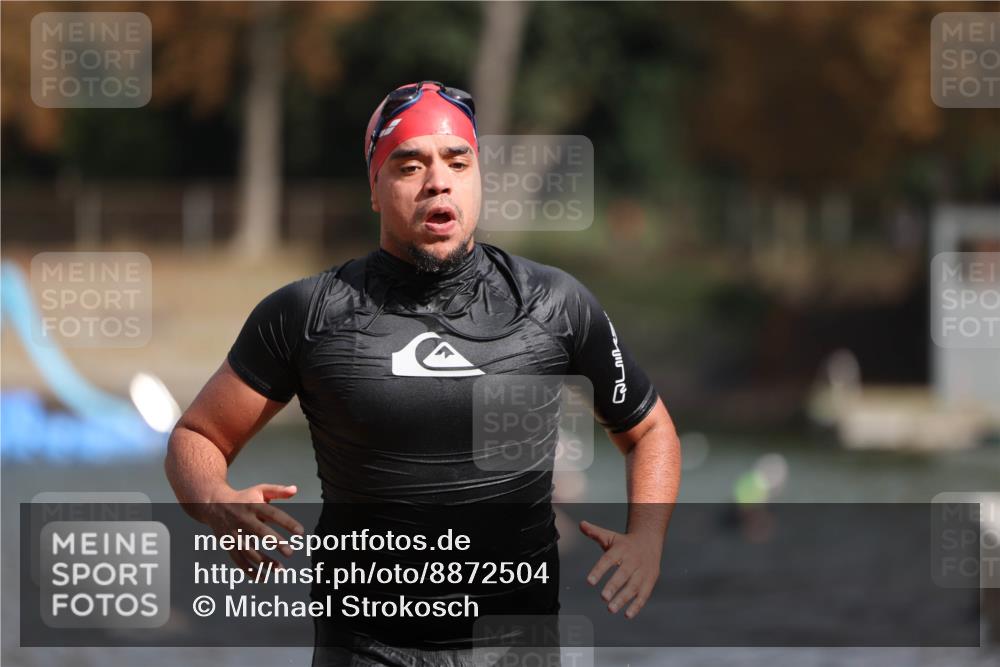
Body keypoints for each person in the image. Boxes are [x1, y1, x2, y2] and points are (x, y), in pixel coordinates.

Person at [165, 80, 682, 666]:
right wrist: (214, 499)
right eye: (410, 165)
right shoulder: (308, 313)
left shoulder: (553, 304)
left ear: (478, 176)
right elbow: (197, 437)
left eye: (458, 161)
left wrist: (648, 538)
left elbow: (649, 431)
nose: (439, 180)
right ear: (376, 187)